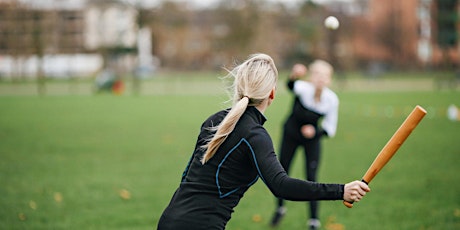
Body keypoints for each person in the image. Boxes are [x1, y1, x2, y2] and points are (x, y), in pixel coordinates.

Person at [157, 54, 370, 230]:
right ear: (272, 94)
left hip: (168, 220)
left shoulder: (214, 120)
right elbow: (281, 185)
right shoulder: (255, 136)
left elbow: (186, 176)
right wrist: (341, 190)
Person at [270, 60, 339, 229]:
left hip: (311, 140)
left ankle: (314, 220)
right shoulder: (303, 89)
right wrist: (294, 74)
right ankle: (280, 208)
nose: (320, 79)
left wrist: (315, 132)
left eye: (324, 76)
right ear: (310, 77)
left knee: (312, 176)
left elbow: (330, 128)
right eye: (316, 74)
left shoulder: (331, 99)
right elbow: (290, 85)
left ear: (329, 79)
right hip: (291, 135)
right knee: (282, 171)